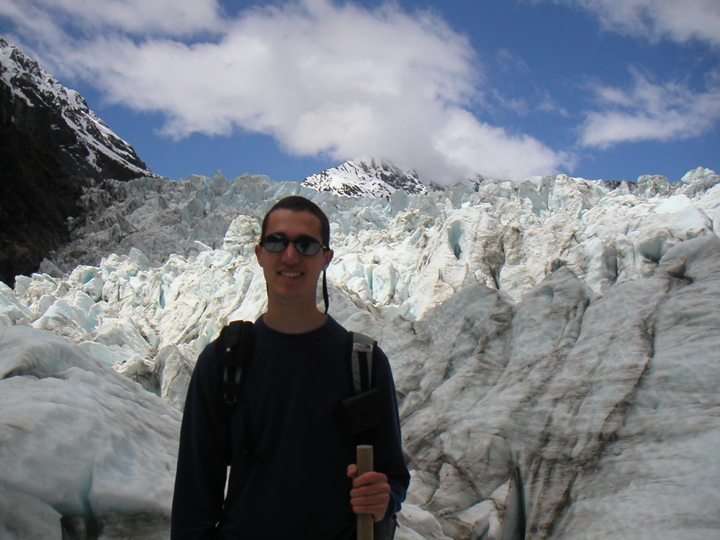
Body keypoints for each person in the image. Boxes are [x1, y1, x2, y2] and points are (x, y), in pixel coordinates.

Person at [171, 195, 410, 539]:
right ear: (259, 254)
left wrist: (383, 498)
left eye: (306, 245)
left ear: (326, 258)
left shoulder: (365, 362)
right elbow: (195, 493)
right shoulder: (222, 362)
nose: (290, 255)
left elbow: (393, 476)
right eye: (276, 241)